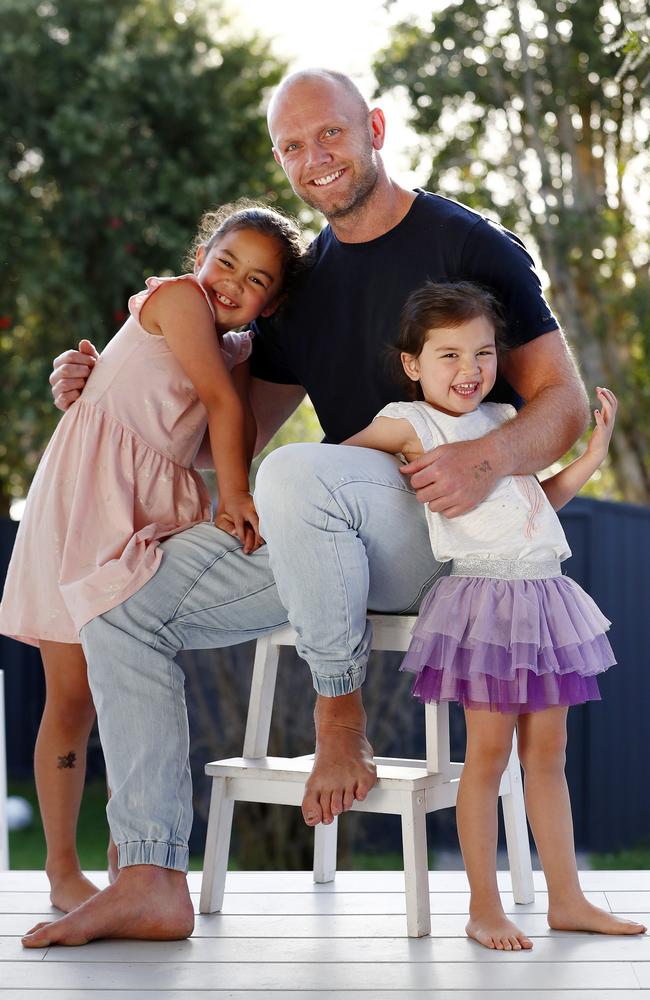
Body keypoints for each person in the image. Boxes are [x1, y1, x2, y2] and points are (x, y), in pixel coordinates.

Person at [24, 68, 591, 947]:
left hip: (450, 532)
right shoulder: (306, 284)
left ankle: (341, 719)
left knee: (297, 476)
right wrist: (104, 386)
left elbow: (564, 402)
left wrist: (490, 456)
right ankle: (148, 875)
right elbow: (220, 425)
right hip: (331, 540)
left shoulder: (470, 244)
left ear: (373, 126)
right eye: (292, 146)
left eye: (328, 134)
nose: (312, 159)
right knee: (120, 601)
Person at [0, 200, 303, 913]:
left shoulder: (240, 352)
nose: (232, 282)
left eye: (256, 280)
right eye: (225, 260)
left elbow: (209, 425)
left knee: (126, 687)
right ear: (202, 254)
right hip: (88, 500)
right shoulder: (178, 299)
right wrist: (235, 499)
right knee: (71, 696)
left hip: (149, 502)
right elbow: (225, 416)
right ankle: (62, 869)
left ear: (274, 302)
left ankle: (128, 865)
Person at [344, 280, 646, 950]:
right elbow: (336, 464)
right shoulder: (410, 422)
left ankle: (566, 898)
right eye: (448, 355)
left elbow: (534, 504)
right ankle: (484, 907)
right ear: (414, 364)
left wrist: (590, 456)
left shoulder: (505, 422)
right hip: (483, 602)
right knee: (487, 756)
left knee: (549, 754)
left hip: (544, 595)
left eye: (482, 353)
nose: (470, 369)